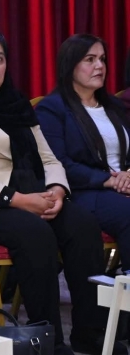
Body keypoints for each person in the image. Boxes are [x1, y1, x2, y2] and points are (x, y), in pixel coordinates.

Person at [0, 28, 127, 355]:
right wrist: (17, 199)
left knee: (82, 224)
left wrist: (58, 190)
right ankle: (46, 339)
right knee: (35, 234)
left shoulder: (16, 104)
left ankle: (90, 330)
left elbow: (49, 159)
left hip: (29, 193)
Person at [37, 34, 130, 274]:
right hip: (84, 192)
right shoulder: (52, 109)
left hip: (123, 187)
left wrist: (127, 174)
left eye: (102, 59)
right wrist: (109, 180)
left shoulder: (114, 106)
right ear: (70, 65)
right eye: (90, 59)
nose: (99, 66)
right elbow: (58, 162)